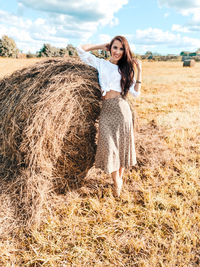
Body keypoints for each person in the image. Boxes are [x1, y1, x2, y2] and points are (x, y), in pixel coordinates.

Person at [76, 35, 142, 197]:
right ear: (110, 48)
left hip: (122, 109)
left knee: (121, 146)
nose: (117, 52)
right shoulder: (101, 64)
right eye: (115, 47)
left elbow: (135, 93)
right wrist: (100, 46)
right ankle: (117, 180)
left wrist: (139, 71)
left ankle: (118, 180)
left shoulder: (125, 69)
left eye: (121, 49)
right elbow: (80, 50)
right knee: (109, 145)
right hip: (106, 109)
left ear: (124, 51)